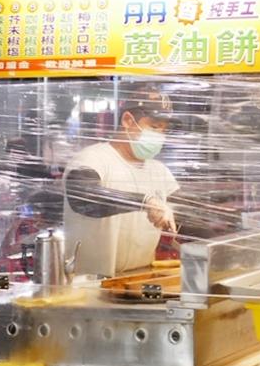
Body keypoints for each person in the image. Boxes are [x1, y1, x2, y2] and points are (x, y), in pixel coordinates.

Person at [63, 89, 181, 276]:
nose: (160, 136)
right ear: (127, 120)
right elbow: (83, 198)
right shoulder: (92, 159)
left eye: (164, 130)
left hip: (136, 282)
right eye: (154, 127)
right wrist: (144, 202)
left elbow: (186, 213)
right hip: (88, 284)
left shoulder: (160, 171)